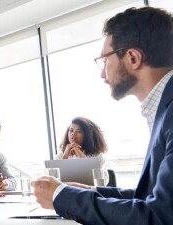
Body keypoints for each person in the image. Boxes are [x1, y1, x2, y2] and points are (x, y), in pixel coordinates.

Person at [31, 7, 173, 225]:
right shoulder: (162, 108)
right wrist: (92, 191)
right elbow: (149, 198)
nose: (102, 72)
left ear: (133, 57)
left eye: (105, 60)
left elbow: (160, 216)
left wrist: (61, 197)